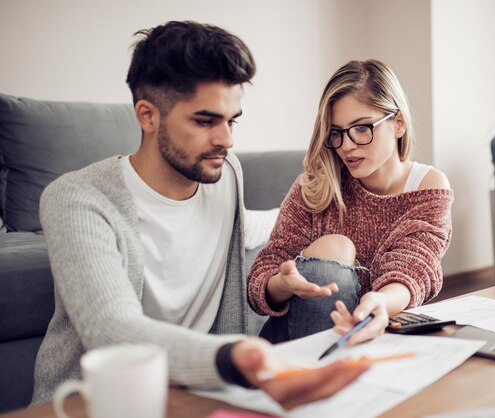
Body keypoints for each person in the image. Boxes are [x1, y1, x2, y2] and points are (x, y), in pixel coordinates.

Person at [31, 21, 367, 409]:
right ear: (147, 116)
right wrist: (235, 357)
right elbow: (113, 331)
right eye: (205, 121)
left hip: (205, 394)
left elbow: (249, 225)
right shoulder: (78, 200)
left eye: (231, 120)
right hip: (95, 404)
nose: (227, 139)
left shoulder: (226, 175)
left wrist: (333, 219)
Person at [248, 59, 453, 345]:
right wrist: (282, 284)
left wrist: (380, 301)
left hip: (375, 332)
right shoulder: (317, 184)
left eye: (361, 128)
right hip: (294, 344)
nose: (346, 145)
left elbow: (414, 268)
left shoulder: (427, 187)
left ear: (398, 124)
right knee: (336, 246)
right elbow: (262, 276)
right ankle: (315, 375)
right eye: (336, 132)